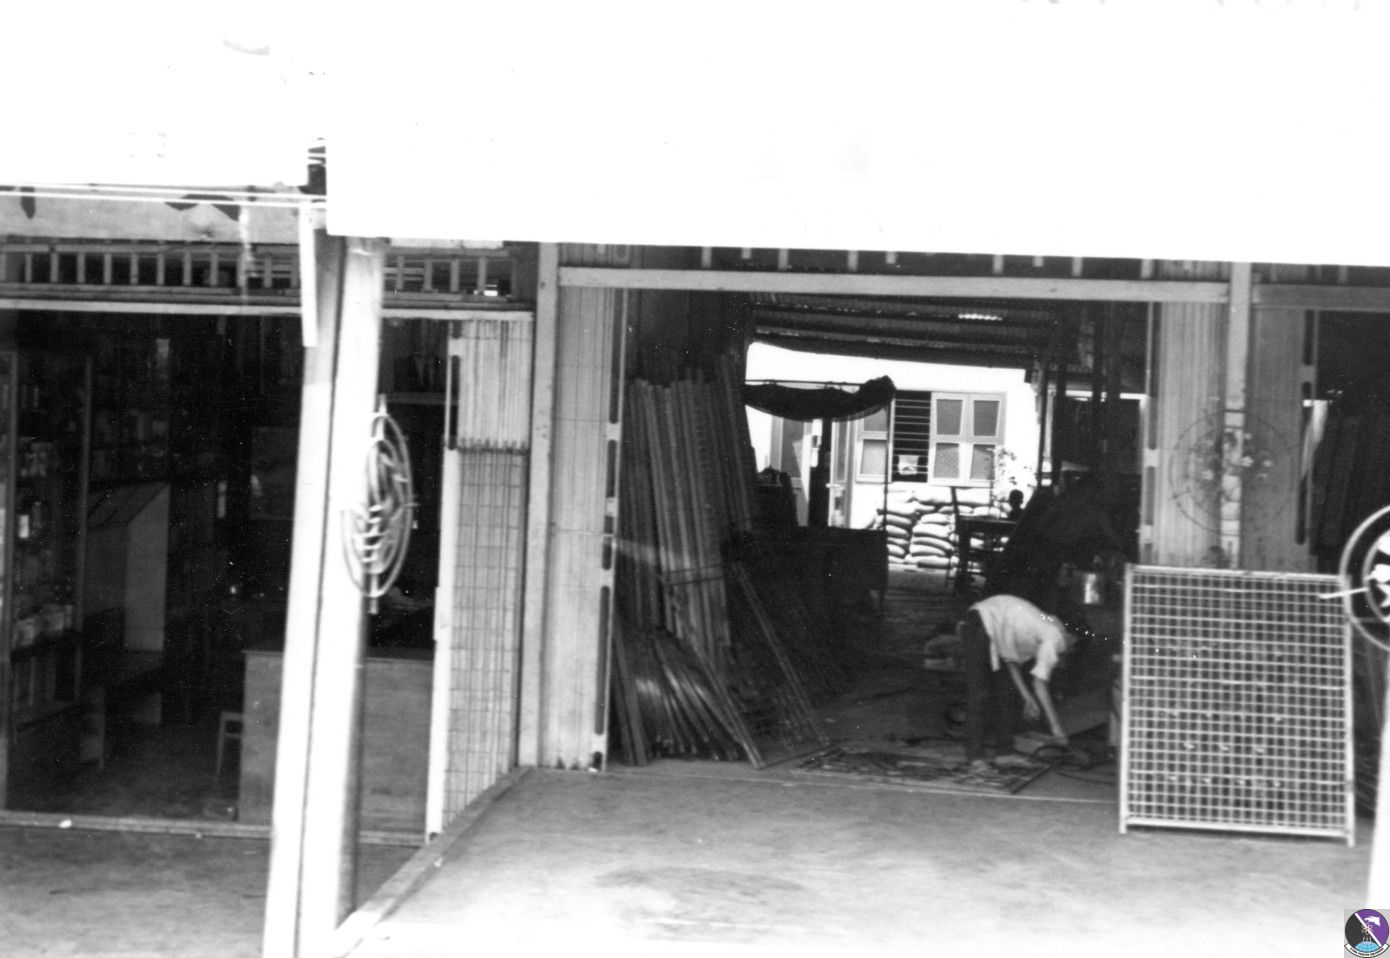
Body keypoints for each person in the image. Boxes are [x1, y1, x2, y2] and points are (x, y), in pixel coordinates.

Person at [956, 593, 1077, 773]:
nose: (1061, 659)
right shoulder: (1055, 639)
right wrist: (1056, 727)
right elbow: (1039, 683)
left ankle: (1004, 752)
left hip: (995, 629)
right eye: (1068, 652)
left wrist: (1027, 698)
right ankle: (975, 758)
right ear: (1071, 640)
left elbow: (1011, 661)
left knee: (1005, 693)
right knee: (979, 694)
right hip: (979, 623)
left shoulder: (1044, 629)